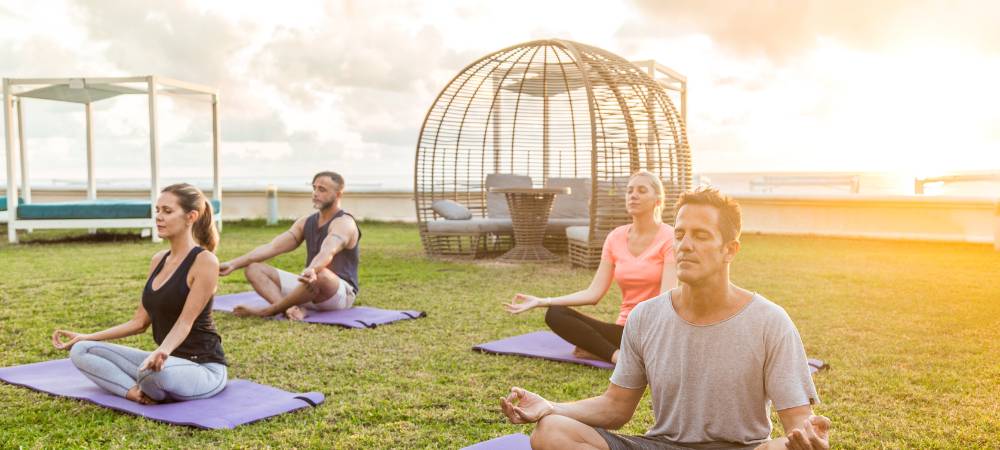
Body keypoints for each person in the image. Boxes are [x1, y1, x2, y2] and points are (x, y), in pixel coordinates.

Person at [500, 188, 832, 450]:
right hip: (663, 445)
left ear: (730, 250)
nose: (685, 246)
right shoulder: (646, 316)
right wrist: (551, 406)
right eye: (680, 234)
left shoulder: (770, 321)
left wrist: (808, 439)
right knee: (552, 431)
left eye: (701, 236)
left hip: (742, 448)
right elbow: (616, 407)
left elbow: (798, 423)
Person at [52, 183, 227, 404]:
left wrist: (162, 351)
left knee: (151, 373)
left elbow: (185, 322)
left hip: (203, 367)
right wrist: (87, 336)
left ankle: (148, 383)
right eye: (157, 210)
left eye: (168, 211)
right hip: (165, 361)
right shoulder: (158, 260)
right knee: (82, 350)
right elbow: (139, 322)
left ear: (191, 216)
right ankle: (133, 392)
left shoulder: (205, 261)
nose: (159, 217)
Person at [505, 170, 677, 364]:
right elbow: (593, 293)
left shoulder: (670, 238)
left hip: (654, 331)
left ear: (658, 199)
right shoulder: (615, 237)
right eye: (629, 191)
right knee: (556, 313)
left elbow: (665, 302)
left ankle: (601, 350)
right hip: (624, 331)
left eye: (642, 190)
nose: (633, 195)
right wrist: (541, 301)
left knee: (649, 338)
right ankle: (617, 357)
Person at [220, 171, 361, 321]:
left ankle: (269, 311)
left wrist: (313, 269)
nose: (315, 193)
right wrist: (233, 264)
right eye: (314, 188)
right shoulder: (306, 222)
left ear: (338, 194)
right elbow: (272, 247)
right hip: (309, 287)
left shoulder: (344, 223)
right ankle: (291, 309)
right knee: (253, 268)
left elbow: (328, 250)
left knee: (322, 274)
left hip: (337, 293)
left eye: (322, 189)